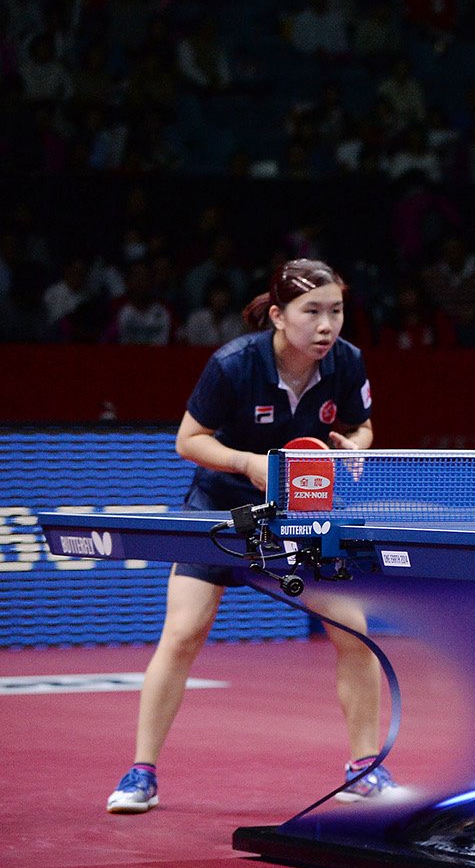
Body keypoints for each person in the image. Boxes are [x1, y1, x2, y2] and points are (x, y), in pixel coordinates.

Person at [107, 259, 394, 813]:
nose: (326, 325)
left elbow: (360, 426)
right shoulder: (234, 363)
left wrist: (354, 447)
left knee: (353, 633)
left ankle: (363, 769)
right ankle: (141, 773)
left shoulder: (346, 362)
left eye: (335, 311)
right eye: (312, 312)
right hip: (221, 507)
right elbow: (189, 440)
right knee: (185, 632)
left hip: (300, 514)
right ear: (280, 315)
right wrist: (246, 463)